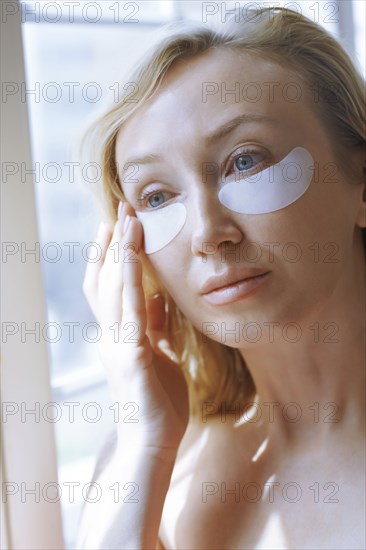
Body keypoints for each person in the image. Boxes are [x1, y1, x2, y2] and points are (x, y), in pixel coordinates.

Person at [77, 6, 365, 549]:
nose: (208, 234)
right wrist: (144, 446)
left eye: (246, 161)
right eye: (158, 197)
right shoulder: (150, 459)